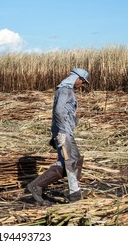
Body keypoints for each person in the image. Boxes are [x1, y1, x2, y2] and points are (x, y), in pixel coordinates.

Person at [27, 68, 89, 204]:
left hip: (66, 131)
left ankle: (74, 190)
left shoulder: (67, 91)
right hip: (64, 132)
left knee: (76, 159)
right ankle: (36, 186)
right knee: (66, 162)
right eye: (83, 82)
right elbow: (59, 112)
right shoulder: (65, 91)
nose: (82, 85)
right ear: (77, 78)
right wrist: (61, 132)